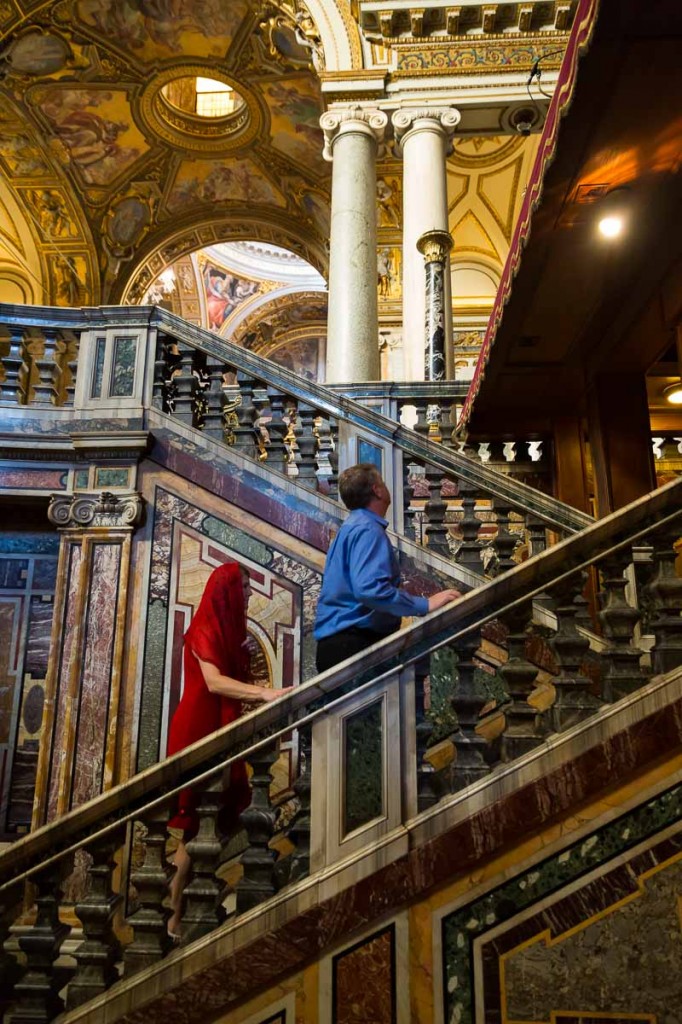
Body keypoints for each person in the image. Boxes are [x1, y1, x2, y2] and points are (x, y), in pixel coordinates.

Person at [166, 562, 279, 939]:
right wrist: (264, 692)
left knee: (222, 815)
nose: (248, 594)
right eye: (243, 587)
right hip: (198, 730)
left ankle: (182, 900)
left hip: (216, 727)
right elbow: (214, 683)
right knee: (198, 822)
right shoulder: (203, 628)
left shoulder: (229, 632)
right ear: (226, 590)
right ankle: (174, 909)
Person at [314, 464, 461, 672]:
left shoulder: (353, 526)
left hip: (342, 644)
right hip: (353, 645)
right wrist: (424, 605)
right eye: (382, 482)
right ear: (377, 490)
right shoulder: (367, 530)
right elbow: (369, 589)